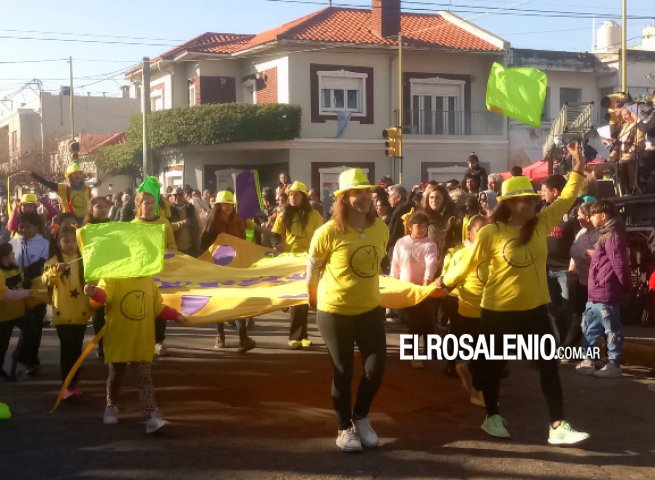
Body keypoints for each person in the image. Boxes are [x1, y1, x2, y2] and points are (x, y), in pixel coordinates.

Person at [438, 142, 590, 445]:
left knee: (548, 367)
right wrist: (445, 282)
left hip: (535, 309)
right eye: (521, 200)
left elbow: (568, 198)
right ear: (507, 203)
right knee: (494, 367)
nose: (529, 204)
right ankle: (492, 416)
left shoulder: (541, 223)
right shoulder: (491, 233)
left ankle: (558, 425)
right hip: (498, 312)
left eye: (531, 199)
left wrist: (577, 168)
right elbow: (468, 263)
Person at [307, 168, 389, 452]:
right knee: (343, 371)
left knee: (375, 368)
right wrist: (312, 296)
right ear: (343, 198)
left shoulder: (381, 228)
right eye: (357, 193)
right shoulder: (328, 231)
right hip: (334, 312)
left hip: (369, 310)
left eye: (367, 192)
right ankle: (344, 429)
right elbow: (313, 266)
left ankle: (361, 417)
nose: (364, 197)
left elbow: (376, 266)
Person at [84, 275, 187, 434]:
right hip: (119, 337)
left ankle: (151, 415)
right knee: (116, 374)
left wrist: (176, 316)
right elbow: (104, 296)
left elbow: (157, 307)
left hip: (142, 338)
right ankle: (111, 405)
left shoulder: (148, 281)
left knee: (144, 376)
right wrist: (93, 293)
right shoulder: (112, 279)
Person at [575, 200, 630, 378]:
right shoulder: (605, 233)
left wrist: (626, 288)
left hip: (606, 292)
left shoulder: (613, 235)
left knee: (611, 329)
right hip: (595, 292)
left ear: (603, 216)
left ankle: (613, 362)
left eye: (592, 214)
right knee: (590, 327)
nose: (590, 218)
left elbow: (619, 264)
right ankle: (589, 359)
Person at [442, 214, 489, 407]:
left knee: (490, 353)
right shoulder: (460, 254)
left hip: (493, 309)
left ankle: (468, 368)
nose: (484, 237)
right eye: (479, 233)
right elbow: (449, 279)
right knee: (483, 353)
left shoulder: (493, 253)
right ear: (469, 234)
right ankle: (478, 392)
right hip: (469, 310)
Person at [201, 191, 256, 353]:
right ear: (218, 206)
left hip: (235, 266)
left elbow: (243, 241)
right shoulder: (211, 221)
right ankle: (220, 335)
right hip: (217, 268)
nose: (228, 207)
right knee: (220, 302)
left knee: (238, 302)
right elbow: (205, 245)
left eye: (230, 204)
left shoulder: (237, 220)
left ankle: (243, 338)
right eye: (224, 204)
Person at [272, 181, 324, 349]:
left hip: (309, 260)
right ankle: (295, 336)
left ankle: (303, 335)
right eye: (290, 195)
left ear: (303, 196)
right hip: (290, 260)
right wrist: (277, 245)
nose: (292, 198)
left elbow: (322, 236)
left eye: (296, 194)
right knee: (297, 299)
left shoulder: (314, 215)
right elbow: (275, 234)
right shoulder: (283, 214)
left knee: (305, 298)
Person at [42, 225, 91, 399]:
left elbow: (94, 279)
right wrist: (56, 270)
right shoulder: (54, 260)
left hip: (81, 312)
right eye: (66, 241)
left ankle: (74, 382)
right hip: (62, 312)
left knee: (76, 349)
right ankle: (67, 384)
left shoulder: (84, 259)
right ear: (58, 242)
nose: (70, 245)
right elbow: (46, 279)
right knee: (67, 350)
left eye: (74, 241)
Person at [390, 211, 437, 369]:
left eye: (425, 226)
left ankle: (428, 350)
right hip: (406, 289)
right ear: (410, 227)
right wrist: (393, 284)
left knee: (427, 321)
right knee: (414, 323)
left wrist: (426, 283)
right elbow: (395, 265)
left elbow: (431, 264)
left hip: (424, 289)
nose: (422, 229)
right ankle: (413, 354)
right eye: (418, 226)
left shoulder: (430, 244)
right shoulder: (401, 243)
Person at [132, 191, 177, 356]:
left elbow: (172, 245)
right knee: (141, 307)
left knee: (159, 306)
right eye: (146, 203)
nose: (150, 206)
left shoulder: (164, 222)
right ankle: (141, 341)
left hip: (161, 272)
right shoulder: (133, 225)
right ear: (139, 206)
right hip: (141, 272)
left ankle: (159, 341)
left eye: (152, 203)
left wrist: (169, 254)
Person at [541, 174, 580, 347]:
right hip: (548, 269)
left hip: (566, 270)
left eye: (544, 191)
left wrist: (574, 268)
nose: (541, 194)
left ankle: (567, 343)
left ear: (555, 192)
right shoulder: (545, 211)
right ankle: (555, 341)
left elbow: (579, 241)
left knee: (566, 308)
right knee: (553, 307)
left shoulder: (572, 213)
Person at [9, 213, 49, 377]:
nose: (24, 230)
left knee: (36, 325)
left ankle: (31, 358)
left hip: (36, 290)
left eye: (28, 226)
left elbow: (43, 264)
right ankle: (21, 353)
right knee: (26, 326)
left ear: (37, 227)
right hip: (17, 291)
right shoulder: (13, 242)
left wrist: (29, 275)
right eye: (21, 226)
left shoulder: (44, 243)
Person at [84, 197, 112, 358]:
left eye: (105, 206)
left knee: (113, 311)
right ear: (91, 209)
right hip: (95, 273)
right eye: (98, 206)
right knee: (98, 312)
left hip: (112, 272)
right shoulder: (87, 228)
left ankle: (112, 343)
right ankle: (101, 345)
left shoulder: (114, 226)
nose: (102, 209)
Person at [566, 203, 598, 349]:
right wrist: (572, 270)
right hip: (582, 280)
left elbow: (596, 256)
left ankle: (599, 355)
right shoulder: (581, 232)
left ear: (587, 216)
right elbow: (574, 253)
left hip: (596, 284)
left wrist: (585, 254)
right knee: (577, 315)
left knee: (597, 319)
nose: (576, 217)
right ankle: (569, 345)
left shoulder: (600, 234)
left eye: (579, 214)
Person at [0, 243, 33, 381]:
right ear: (4, 258)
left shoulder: (17, 268)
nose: (13, 255)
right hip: (4, 315)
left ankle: (19, 355)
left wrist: (26, 283)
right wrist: (27, 293)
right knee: (2, 344)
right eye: (11, 253)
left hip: (19, 311)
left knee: (31, 332)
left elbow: (20, 285)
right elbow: (5, 294)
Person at [169, 187, 199, 257]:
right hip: (176, 248)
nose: (177, 197)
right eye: (175, 195)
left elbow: (197, 225)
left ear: (184, 195)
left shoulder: (190, 209)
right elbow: (169, 227)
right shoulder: (169, 210)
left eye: (180, 195)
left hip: (190, 247)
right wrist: (183, 223)